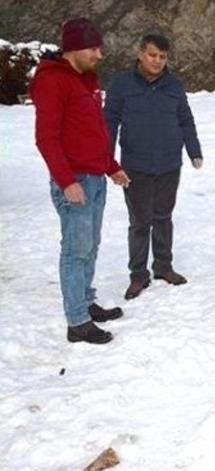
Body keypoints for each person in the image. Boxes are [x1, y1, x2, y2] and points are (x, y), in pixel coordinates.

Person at [30, 18, 131, 344]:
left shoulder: (86, 78)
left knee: (90, 246)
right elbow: (46, 138)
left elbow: (94, 132)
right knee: (75, 251)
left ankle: (85, 303)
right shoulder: (52, 81)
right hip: (74, 182)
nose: (99, 54)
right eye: (94, 48)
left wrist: (111, 166)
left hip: (94, 178)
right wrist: (66, 181)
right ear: (74, 48)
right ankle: (77, 322)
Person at [104, 33, 203, 300]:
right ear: (140, 54)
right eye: (152, 55)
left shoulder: (174, 85)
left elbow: (185, 119)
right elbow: (109, 123)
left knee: (163, 217)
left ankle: (163, 267)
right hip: (135, 166)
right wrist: (108, 162)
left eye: (162, 56)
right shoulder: (121, 84)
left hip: (169, 164)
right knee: (139, 222)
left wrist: (194, 150)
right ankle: (138, 275)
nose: (157, 61)